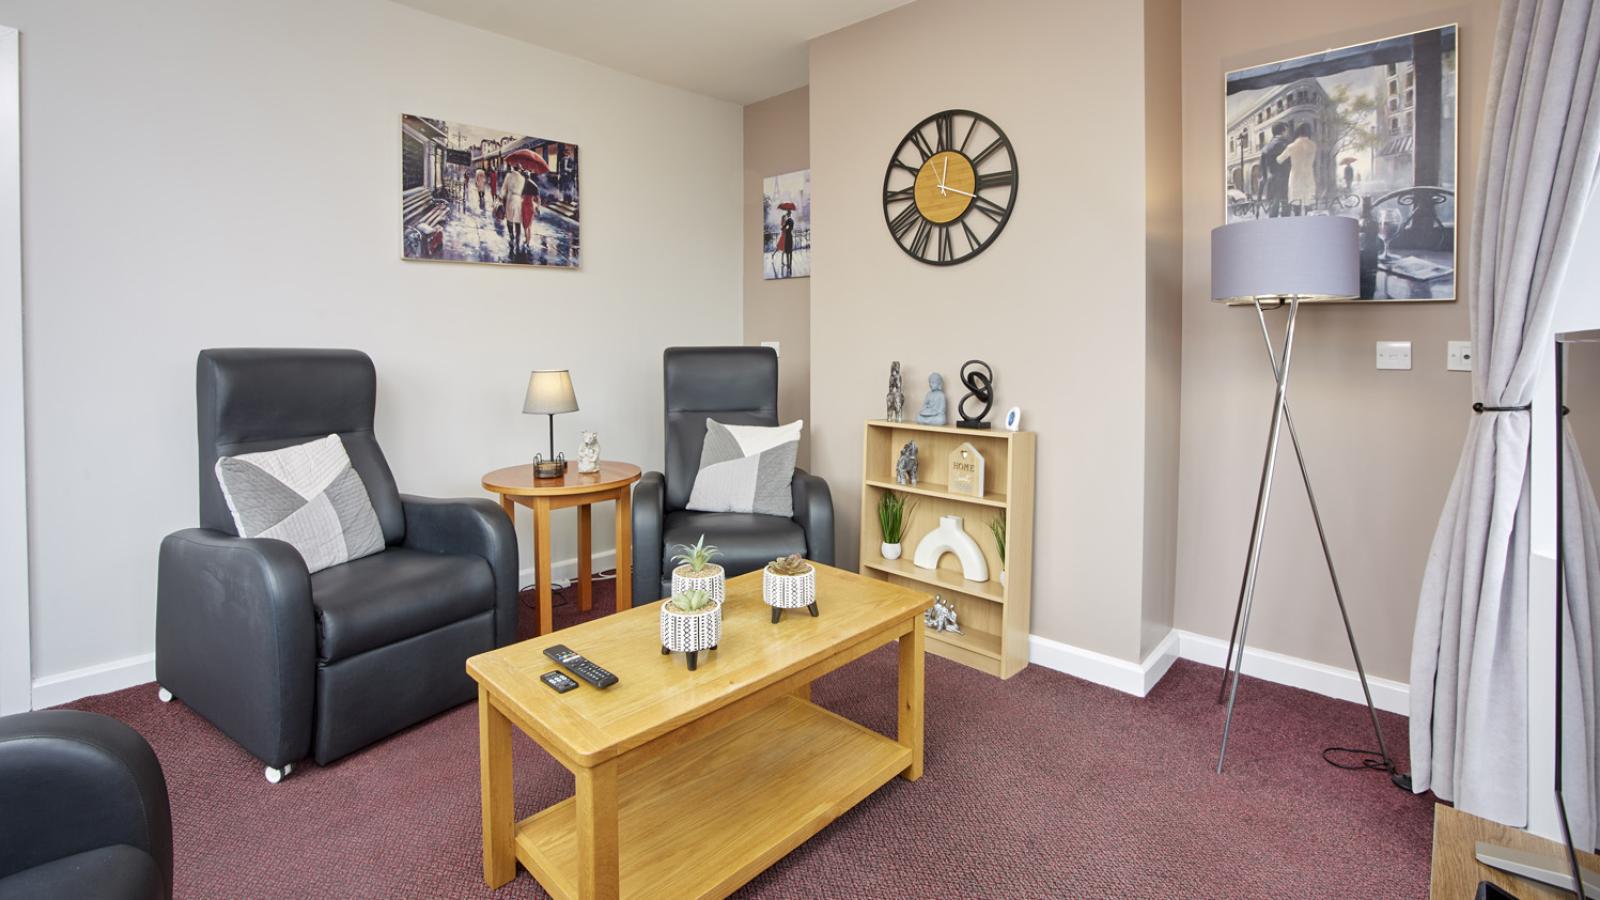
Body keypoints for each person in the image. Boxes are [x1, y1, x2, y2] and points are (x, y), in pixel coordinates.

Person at [1283, 123, 1319, 215]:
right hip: (1308, 175)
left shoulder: (1291, 146)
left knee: (1296, 202)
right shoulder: (1313, 145)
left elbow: (1280, 159)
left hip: (1296, 176)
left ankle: (1298, 221)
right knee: (1308, 202)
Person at [1260, 122, 1292, 217]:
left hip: (1272, 180)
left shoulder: (1266, 147)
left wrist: (1265, 179)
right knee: (1286, 208)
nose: (1287, 133)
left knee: (1274, 208)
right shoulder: (1287, 145)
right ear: (1282, 131)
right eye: (1286, 131)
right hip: (1286, 179)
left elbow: (1263, 168)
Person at [501, 164, 526, 253]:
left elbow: (504, 189)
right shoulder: (522, 179)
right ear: (520, 169)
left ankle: (511, 236)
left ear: (513, 167)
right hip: (518, 199)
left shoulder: (509, 176)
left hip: (510, 199)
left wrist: (501, 197)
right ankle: (518, 239)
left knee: (509, 219)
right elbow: (523, 191)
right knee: (518, 220)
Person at [777, 210, 795, 276]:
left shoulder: (787, 221)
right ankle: (790, 264)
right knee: (790, 251)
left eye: (787, 215)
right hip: (791, 236)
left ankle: (788, 265)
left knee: (787, 252)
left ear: (787, 215)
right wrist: (788, 228)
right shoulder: (792, 221)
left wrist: (785, 226)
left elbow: (782, 229)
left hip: (787, 237)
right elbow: (791, 228)